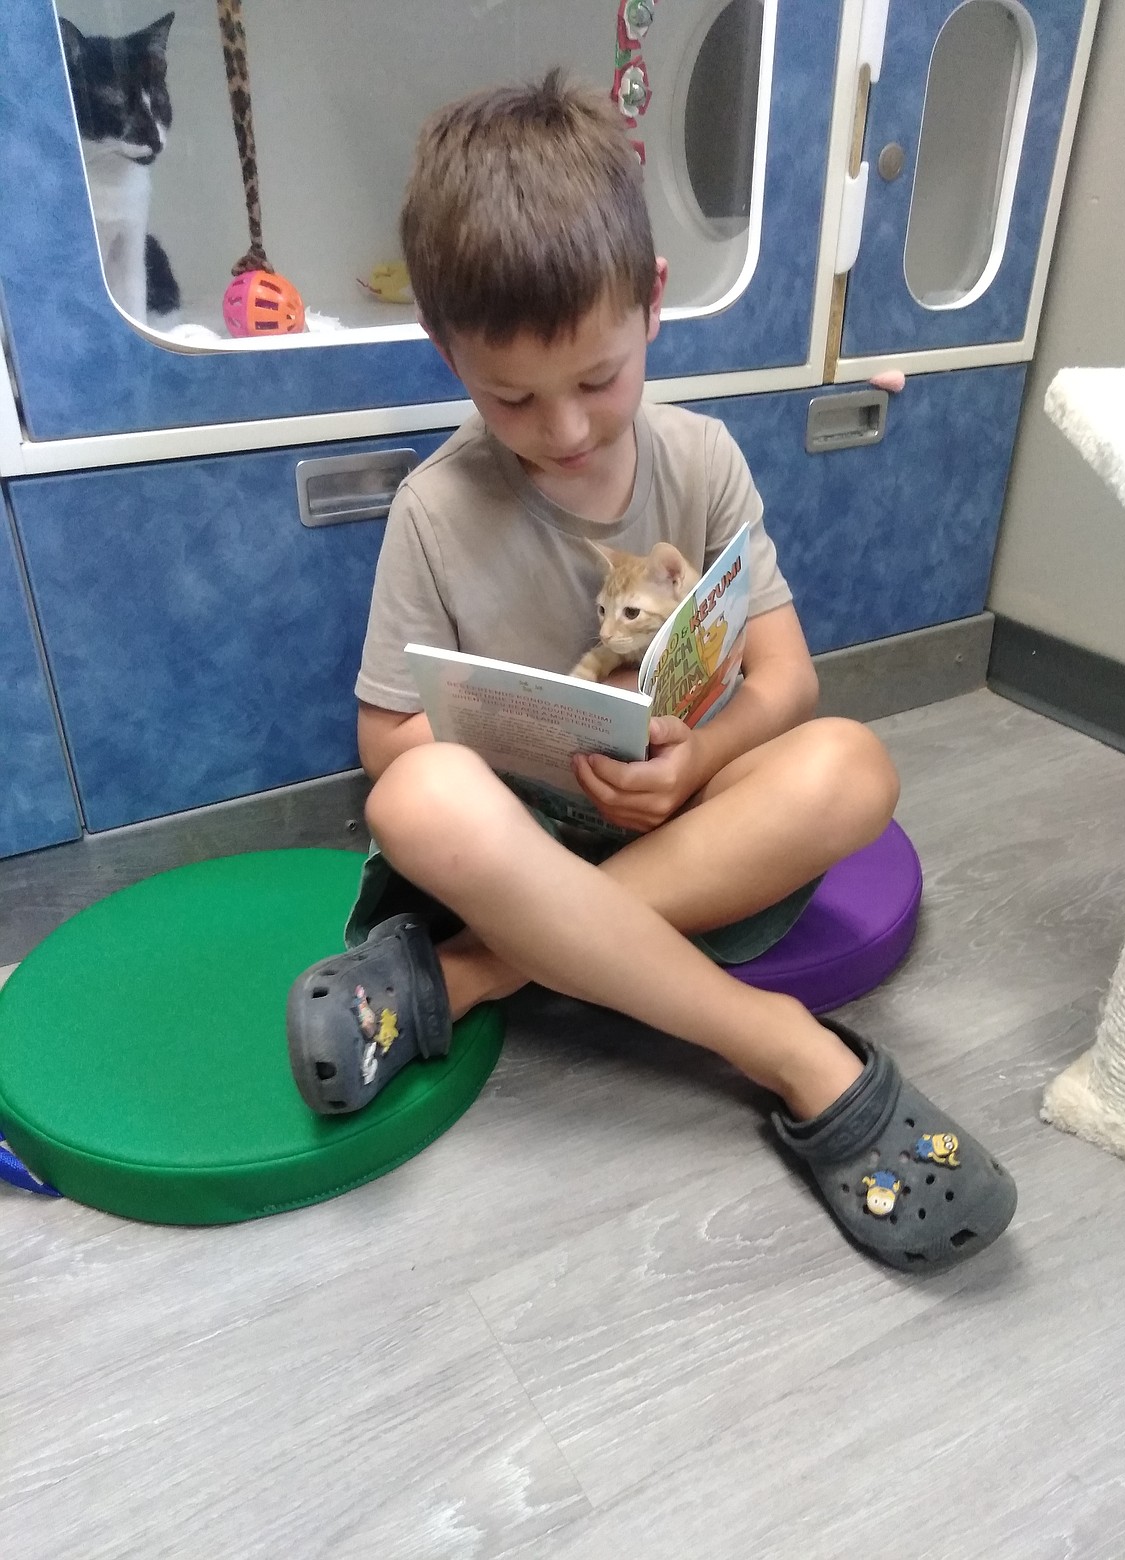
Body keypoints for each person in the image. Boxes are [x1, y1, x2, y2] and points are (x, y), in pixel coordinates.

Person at [286, 72, 1016, 1271]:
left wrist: (702, 761)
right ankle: (786, 1049)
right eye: (509, 395)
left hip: (683, 828)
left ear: (653, 305)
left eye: (597, 378)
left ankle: (467, 979)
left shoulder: (706, 458)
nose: (564, 429)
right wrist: (508, 751)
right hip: (519, 844)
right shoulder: (433, 507)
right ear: (446, 349)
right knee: (413, 794)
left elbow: (786, 679)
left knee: (850, 765)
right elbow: (387, 736)